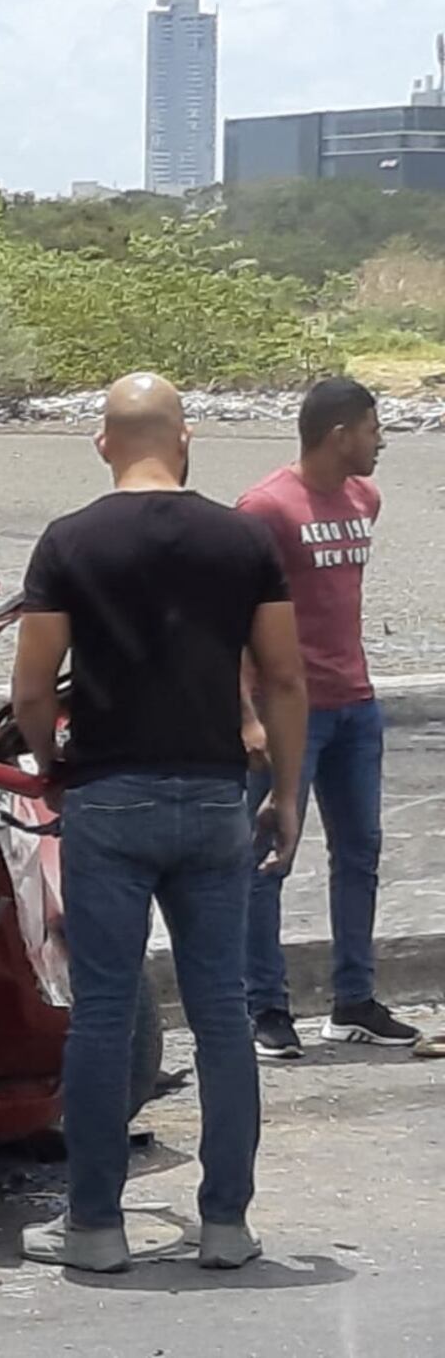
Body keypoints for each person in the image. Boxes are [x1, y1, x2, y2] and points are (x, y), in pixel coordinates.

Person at [13, 373, 307, 1275]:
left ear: (103, 443)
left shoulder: (68, 542)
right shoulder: (245, 539)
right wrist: (288, 793)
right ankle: (226, 1224)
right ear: (187, 438)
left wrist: (52, 764)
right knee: (221, 1014)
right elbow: (286, 678)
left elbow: (31, 687)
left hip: (108, 795)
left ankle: (96, 1227)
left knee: (103, 1011)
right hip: (216, 795)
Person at [239, 378, 419, 1059]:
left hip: (355, 703)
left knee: (361, 852)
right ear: (339, 433)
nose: (381, 443)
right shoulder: (265, 509)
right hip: (287, 710)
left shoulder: (363, 499)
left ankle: (353, 1000)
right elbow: (233, 619)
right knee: (267, 857)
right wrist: (245, 716)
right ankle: (266, 1006)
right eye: (374, 429)